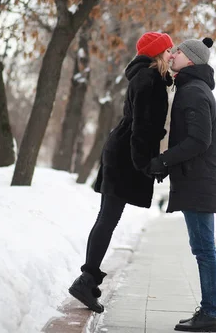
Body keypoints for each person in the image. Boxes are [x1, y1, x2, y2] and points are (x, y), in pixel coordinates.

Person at [68, 32, 174, 313]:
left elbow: (144, 127)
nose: (171, 55)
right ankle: (86, 279)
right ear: (157, 54)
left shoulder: (147, 78)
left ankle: (87, 279)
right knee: (108, 218)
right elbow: (142, 127)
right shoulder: (149, 80)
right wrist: (146, 164)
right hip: (126, 154)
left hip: (122, 150)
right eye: (167, 51)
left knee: (106, 217)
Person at [147, 37, 216, 332]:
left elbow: (198, 140)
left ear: (190, 59)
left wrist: (164, 160)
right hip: (197, 178)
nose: (173, 54)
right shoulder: (191, 88)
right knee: (202, 248)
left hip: (199, 181)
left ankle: (210, 314)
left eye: (178, 51)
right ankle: (209, 311)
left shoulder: (193, 91)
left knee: (204, 249)